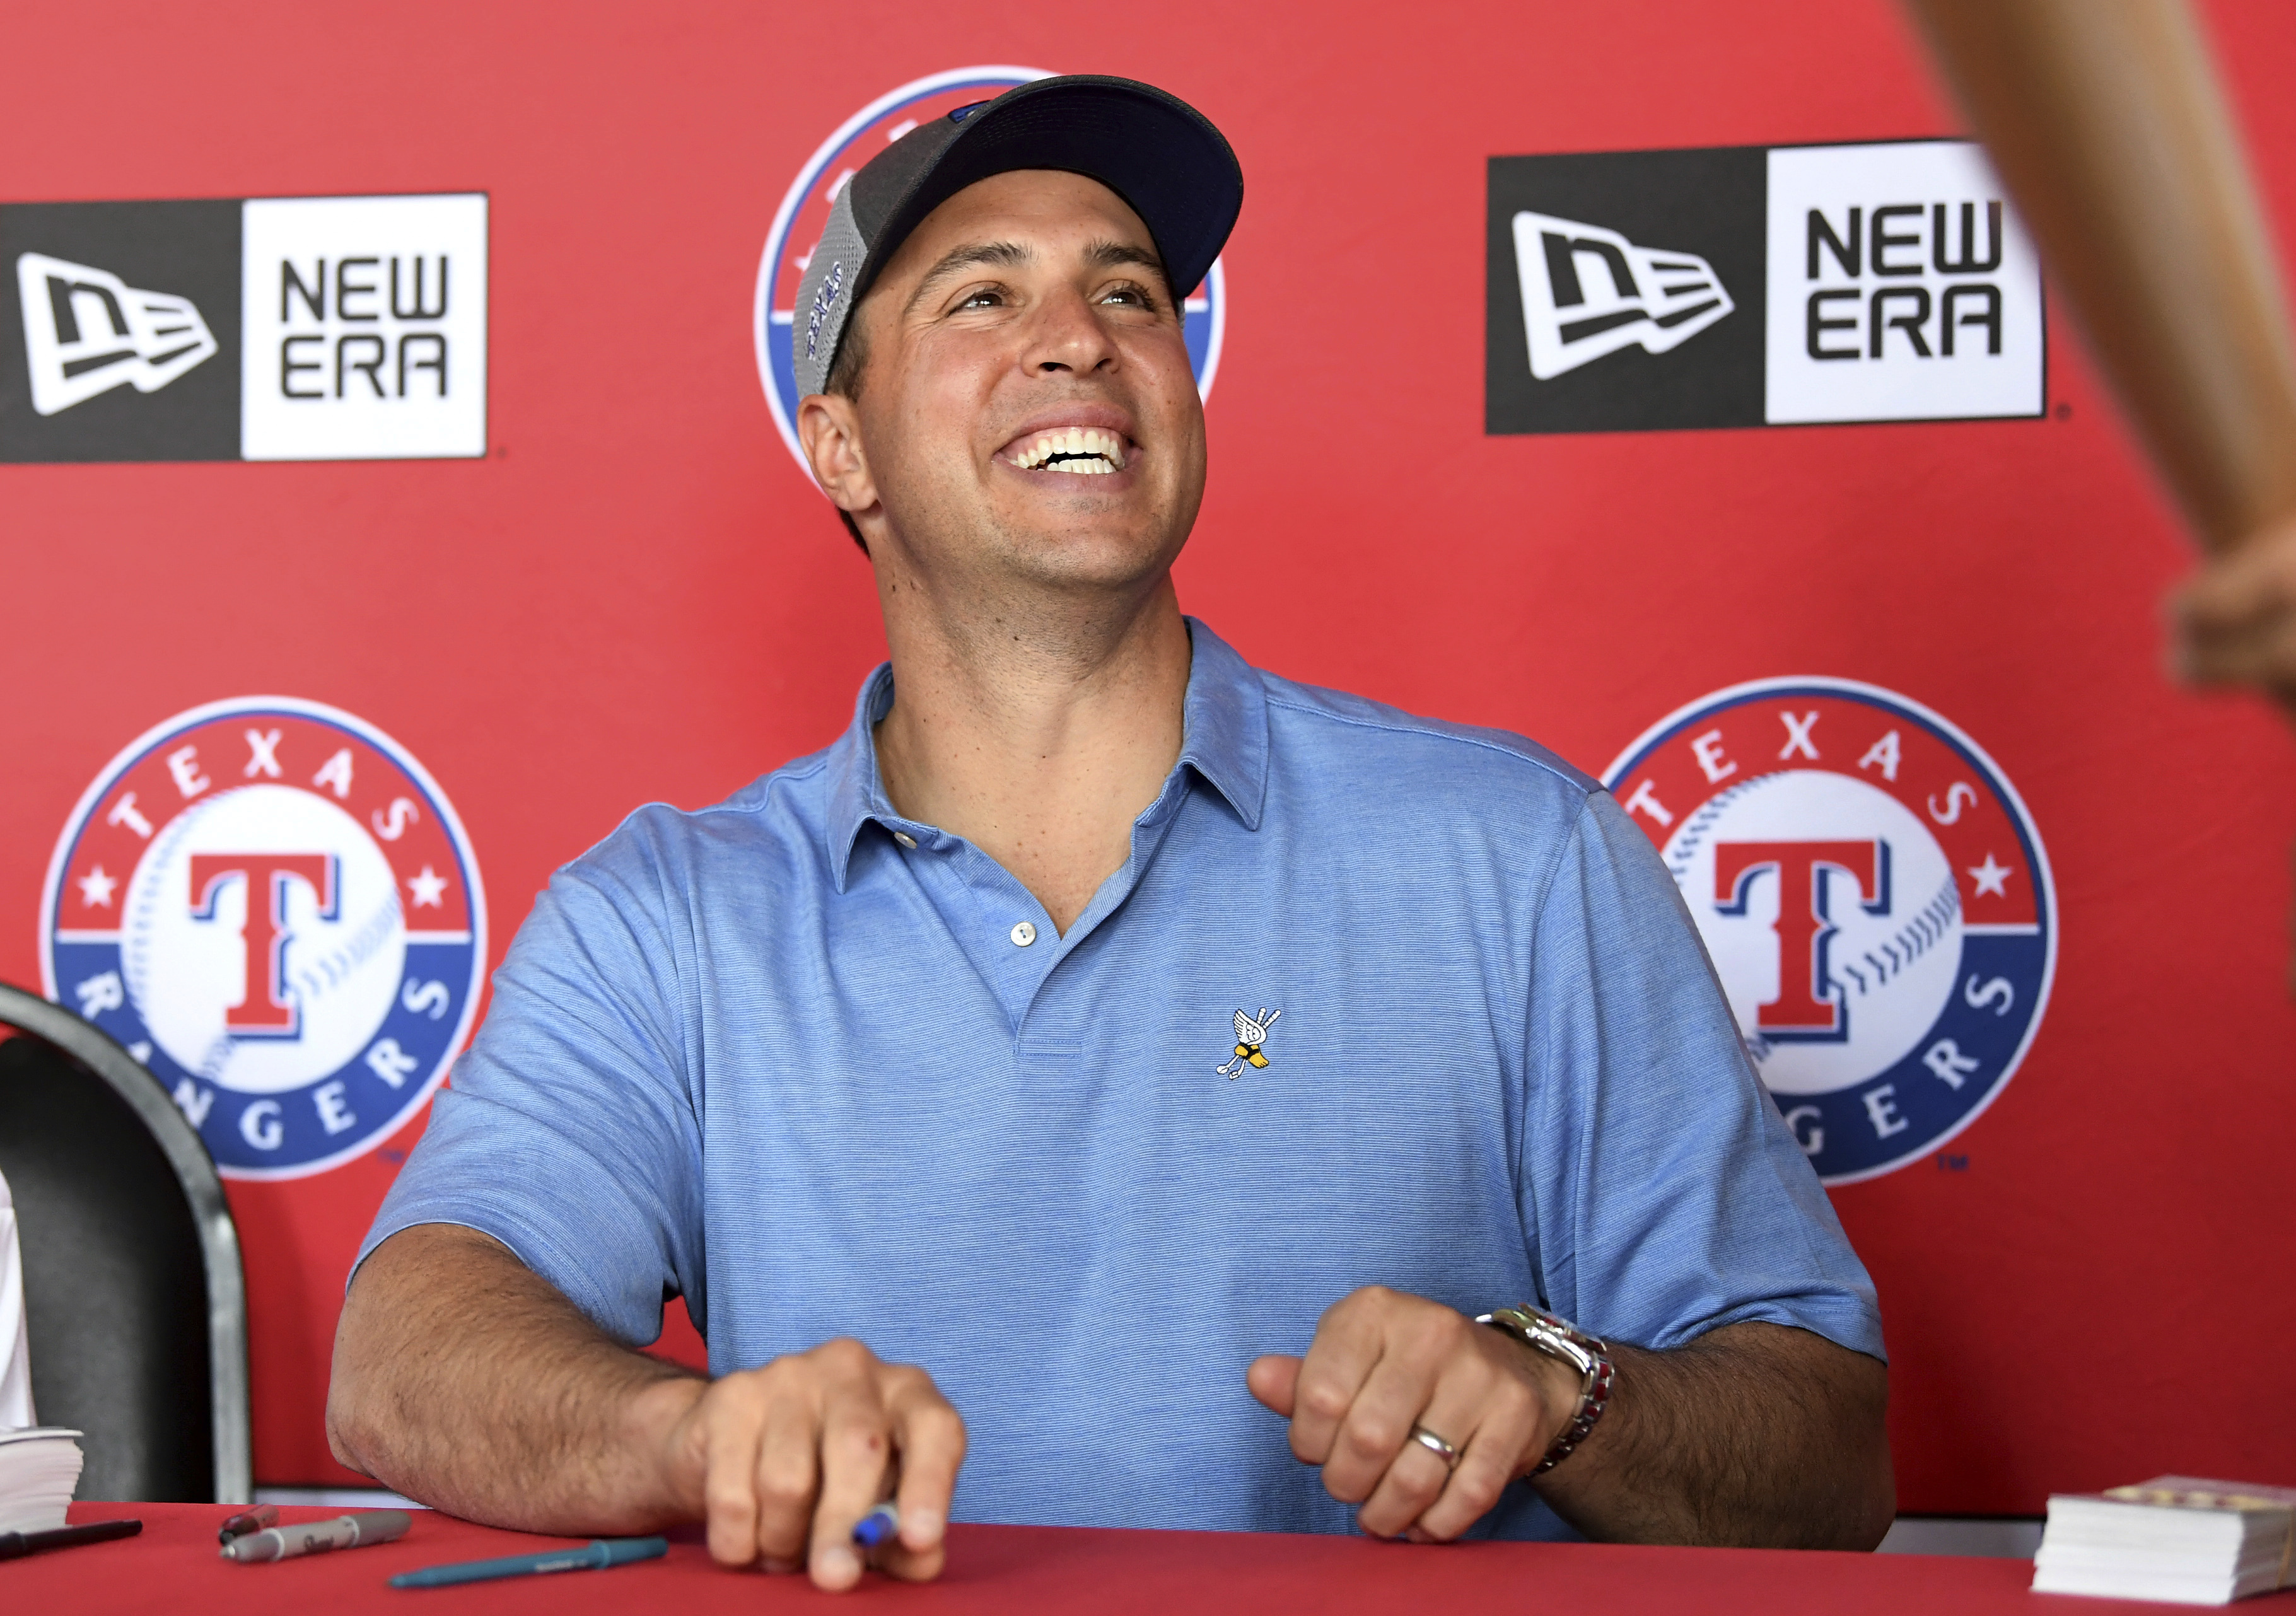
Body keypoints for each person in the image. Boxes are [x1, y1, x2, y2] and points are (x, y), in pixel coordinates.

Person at [327, 76, 1893, 1593]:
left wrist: (1562, 1396)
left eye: (1132, 294)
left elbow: (1830, 1460)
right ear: (843, 450)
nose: (1078, 338)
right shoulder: (665, 916)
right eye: (981, 298)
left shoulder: (1520, 857)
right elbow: (405, 1358)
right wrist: (696, 1435)